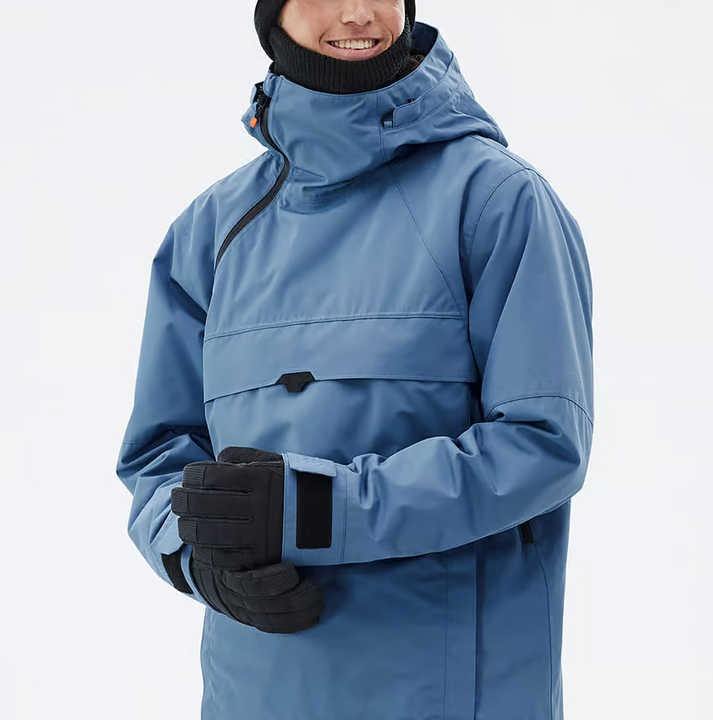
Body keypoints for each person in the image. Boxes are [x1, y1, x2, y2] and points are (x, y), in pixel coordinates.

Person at [116, 1, 594, 718]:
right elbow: (158, 459)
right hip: (253, 693)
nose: (357, 12)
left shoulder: (495, 201)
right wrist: (197, 559)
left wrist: (313, 510)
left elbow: (543, 446)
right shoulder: (210, 232)